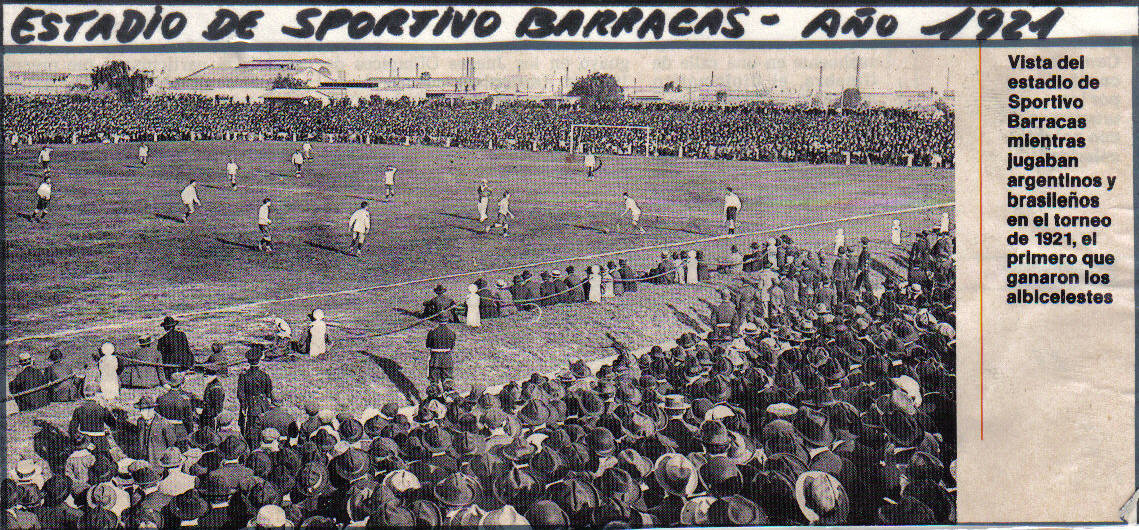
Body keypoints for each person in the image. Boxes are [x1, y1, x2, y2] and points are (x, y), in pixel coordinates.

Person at [237, 347, 276, 443]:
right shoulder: (265, 375)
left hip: (250, 405)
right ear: (259, 360)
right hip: (263, 404)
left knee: (251, 428)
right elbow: (269, 392)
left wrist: (243, 405)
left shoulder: (244, 375)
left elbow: (240, 394)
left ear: (248, 361)